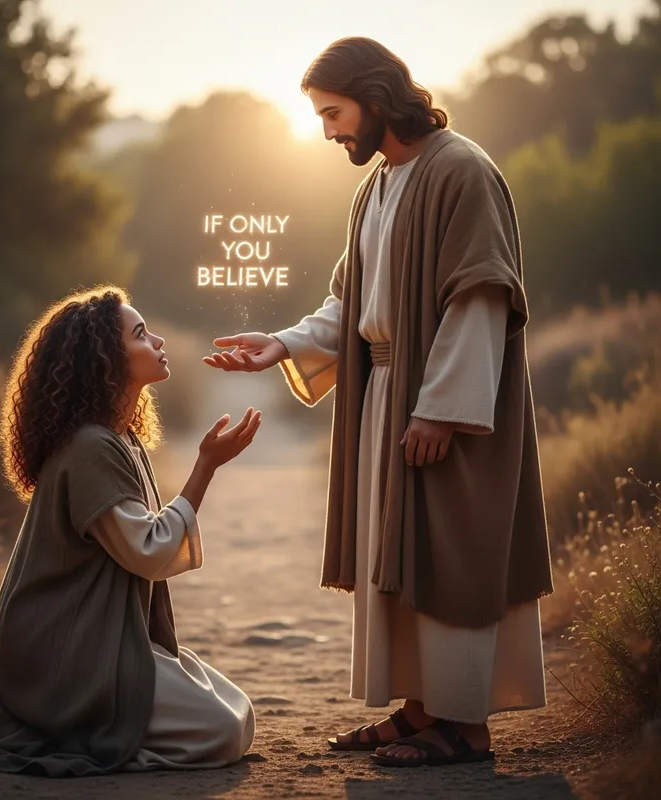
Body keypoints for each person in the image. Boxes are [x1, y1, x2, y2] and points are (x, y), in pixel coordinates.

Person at [203, 37, 553, 768]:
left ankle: (464, 725)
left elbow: (480, 296)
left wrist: (442, 408)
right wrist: (283, 343)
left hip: (444, 401)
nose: (328, 132)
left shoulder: (462, 170)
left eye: (333, 113)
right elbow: (353, 302)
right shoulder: (380, 184)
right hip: (387, 395)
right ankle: (421, 709)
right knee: (400, 555)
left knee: (449, 550)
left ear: (374, 95)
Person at [0, 286, 259, 776]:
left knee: (238, 711)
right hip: (57, 649)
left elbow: (142, 543)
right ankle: (98, 745)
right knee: (222, 729)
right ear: (104, 358)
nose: (159, 341)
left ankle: (84, 729)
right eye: (142, 334)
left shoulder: (118, 439)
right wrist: (205, 466)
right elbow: (148, 551)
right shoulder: (90, 448)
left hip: (98, 638)